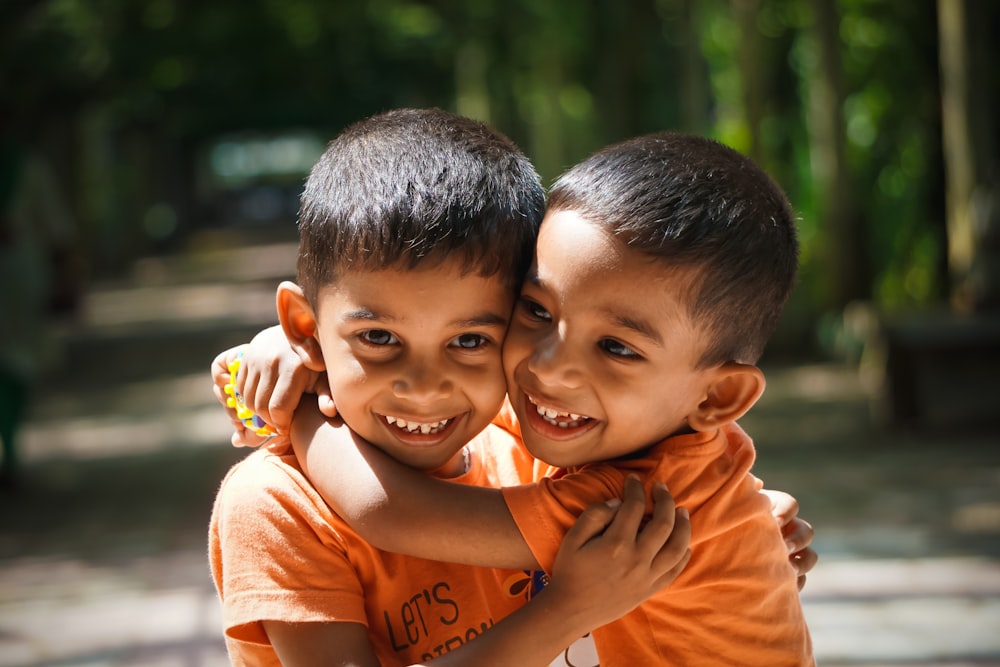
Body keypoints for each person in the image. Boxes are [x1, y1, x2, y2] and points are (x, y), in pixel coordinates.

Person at [218, 132, 819, 665]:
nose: (551, 369)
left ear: (720, 396)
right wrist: (295, 355)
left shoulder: (622, 493)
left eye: (616, 347)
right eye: (538, 312)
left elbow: (390, 511)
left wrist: (299, 408)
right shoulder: (276, 507)